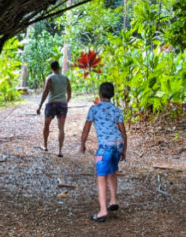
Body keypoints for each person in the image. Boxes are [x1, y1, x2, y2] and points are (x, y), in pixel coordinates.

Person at [79, 81, 127, 222]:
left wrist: (82, 144)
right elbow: (123, 133)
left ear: (100, 94)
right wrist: (124, 150)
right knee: (112, 172)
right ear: (112, 95)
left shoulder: (94, 109)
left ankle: (102, 210)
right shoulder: (117, 110)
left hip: (105, 147)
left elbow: (86, 128)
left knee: (101, 176)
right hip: (117, 144)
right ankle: (112, 200)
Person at [36, 61, 72, 156]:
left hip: (51, 104)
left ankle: (45, 146)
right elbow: (69, 93)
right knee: (61, 128)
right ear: (58, 67)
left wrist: (40, 106)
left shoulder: (50, 78)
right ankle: (60, 151)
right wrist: (65, 102)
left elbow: (45, 92)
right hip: (62, 104)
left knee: (46, 125)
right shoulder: (65, 78)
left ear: (51, 68)